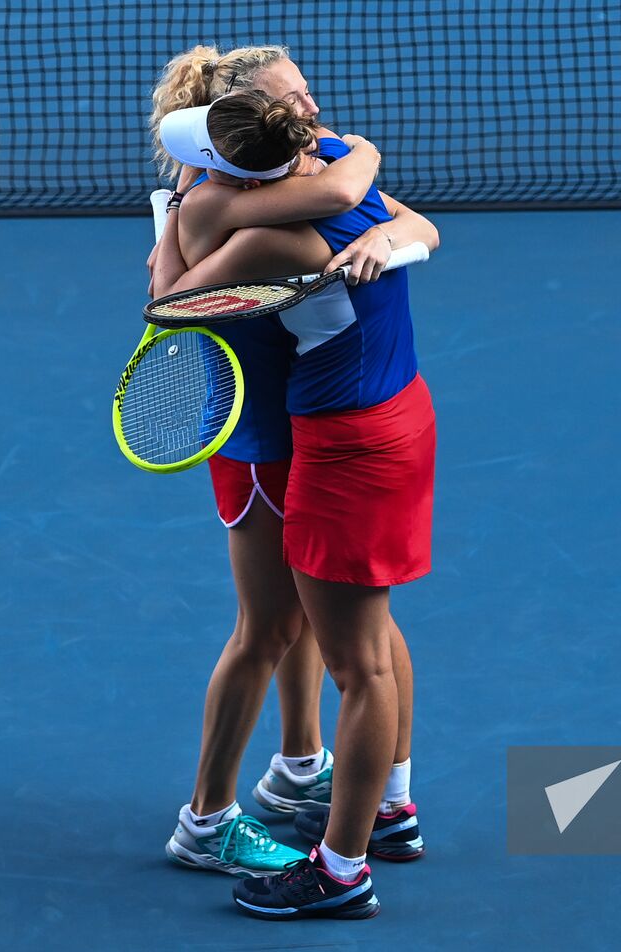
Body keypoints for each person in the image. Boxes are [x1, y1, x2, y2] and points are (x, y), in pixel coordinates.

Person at [147, 47, 431, 879]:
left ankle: (318, 774)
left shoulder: (293, 181)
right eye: (295, 109)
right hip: (267, 435)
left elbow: (397, 210)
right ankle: (215, 818)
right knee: (280, 626)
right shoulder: (267, 218)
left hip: (319, 429)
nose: (315, 121)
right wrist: (176, 228)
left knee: (329, 623)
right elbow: (168, 303)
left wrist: (388, 223)